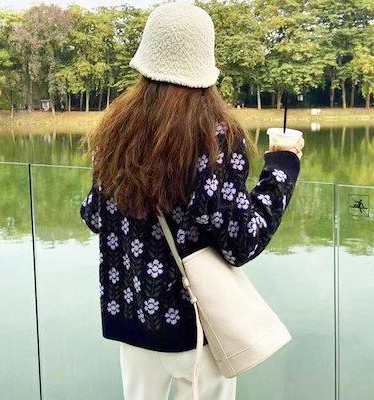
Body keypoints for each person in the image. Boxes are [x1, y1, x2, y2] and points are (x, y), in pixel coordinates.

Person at [80, 3, 304, 400]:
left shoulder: (115, 131)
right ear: (206, 63)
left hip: (133, 320)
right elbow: (242, 241)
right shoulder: (214, 137)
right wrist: (283, 167)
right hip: (196, 325)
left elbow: (94, 215)